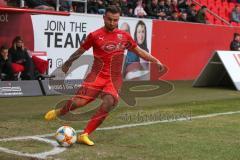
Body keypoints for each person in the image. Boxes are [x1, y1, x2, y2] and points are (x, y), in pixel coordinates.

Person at [44, 5, 163, 146]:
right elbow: (79, 51)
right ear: (104, 17)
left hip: (114, 79)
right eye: (110, 19)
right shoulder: (94, 35)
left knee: (110, 102)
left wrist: (155, 60)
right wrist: (67, 64)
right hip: (96, 76)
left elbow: (139, 51)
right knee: (78, 103)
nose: (112, 23)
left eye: (115, 20)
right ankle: (59, 111)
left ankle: (85, 134)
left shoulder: (124, 36)